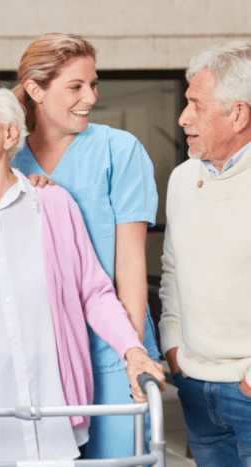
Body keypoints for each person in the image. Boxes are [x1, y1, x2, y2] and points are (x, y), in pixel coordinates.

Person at [0, 82, 165, 463]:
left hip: (50, 412)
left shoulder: (53, 205)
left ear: (9, 134)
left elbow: (94, 293)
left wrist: (132, 352)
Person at [9, 33, 161, 459]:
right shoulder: (10, 162)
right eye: (75, 87)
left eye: (93, 84)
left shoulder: (120, 150)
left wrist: (130, 353)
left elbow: (130, 264)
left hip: (112, 347)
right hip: (46, 349)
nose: (90, 97)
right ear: (36, 90)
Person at [159, 41, 251, 467]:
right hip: (195, 386)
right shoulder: (182, 179)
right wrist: (173, 345)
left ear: (238, 113)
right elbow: (172, 270)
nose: (183, 118)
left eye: (196, 104)